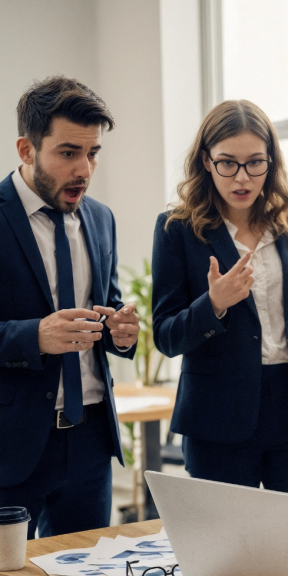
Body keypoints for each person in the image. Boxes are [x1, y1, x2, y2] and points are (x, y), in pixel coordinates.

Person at [152, 100, 288, 544]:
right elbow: (166, 334)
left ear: (271, 162)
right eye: (228, 164)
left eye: (255, 163)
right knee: (229, 556)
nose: (242, 178)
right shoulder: (177, 228)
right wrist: (212, 304)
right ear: (206, 162)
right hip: (218, 417)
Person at [0, 76, 139, 538]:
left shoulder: (101, 218)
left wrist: (121, 330)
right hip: (12, 446)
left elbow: (107, 306)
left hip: (90, 442)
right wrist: (34, 336)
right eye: (68, 153)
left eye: (93, 153)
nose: (84, 168)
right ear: (26, 149)